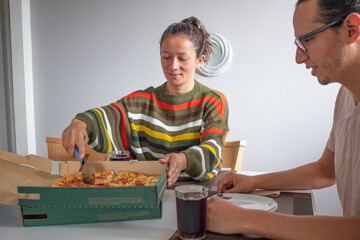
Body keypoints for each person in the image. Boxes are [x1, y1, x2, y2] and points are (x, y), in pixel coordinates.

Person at [207, 0, 360, 239]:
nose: (299, 57)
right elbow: (326, 171)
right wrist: (254, 181)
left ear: (351, 29)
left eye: (307, 40)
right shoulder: (345, 97)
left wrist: (245, 219)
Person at [62, 16, 229, 187]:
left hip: (200, 191)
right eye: (166, 57)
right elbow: (107, 116)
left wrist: (184, 159)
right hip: (148, 188)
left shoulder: (213, 101)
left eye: (182, 58)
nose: (173, 65)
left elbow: (212, 150)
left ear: (199, 61)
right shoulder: (140, 102)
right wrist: (80, 123)